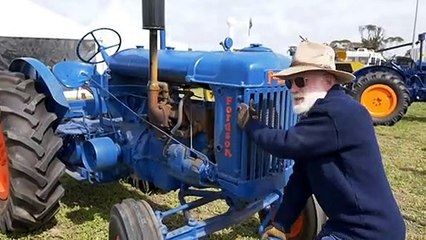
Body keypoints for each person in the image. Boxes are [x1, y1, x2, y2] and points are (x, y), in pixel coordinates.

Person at [237, 40, 406, 240]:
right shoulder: (320, 116)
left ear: (327, 80)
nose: (293, 89)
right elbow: (302, 179)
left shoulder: (338, 113)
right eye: (291, 83)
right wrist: (281, 224)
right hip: (344, 226)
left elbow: (286, 144)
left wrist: (251, 124)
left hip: (366, 233)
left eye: (301, 81)